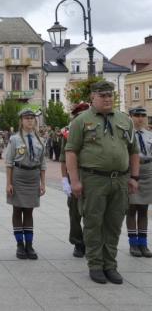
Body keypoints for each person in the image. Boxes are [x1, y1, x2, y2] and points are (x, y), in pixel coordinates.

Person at [65, 80, 139, 285]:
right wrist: (74, 181)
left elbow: (133, 151)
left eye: (110, 96)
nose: (107, 99)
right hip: (93, 180)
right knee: (93, 223)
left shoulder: (125, 120)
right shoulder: (81, 121)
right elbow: (71, 151)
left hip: (120, 180)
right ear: (93, 97)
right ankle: (96, 265)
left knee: (114, 224)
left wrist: (134, 177)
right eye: (102, 96)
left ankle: (110, 265)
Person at [6, 108, 46, 260]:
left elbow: (42, 164)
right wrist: (8, 183)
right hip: (18, 176)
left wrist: (43, 183)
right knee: (17, 210)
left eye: (32, 118)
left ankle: (29, 244)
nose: (30, 120)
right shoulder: (14, 139)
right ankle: (20, 245)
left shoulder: (40, 140)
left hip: (33, 177)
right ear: (21, 121)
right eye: (26, 118)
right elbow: (9, 163)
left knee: (29, 211)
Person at [59, 102, 90, 258]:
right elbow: (64, 159)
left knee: (92, 211)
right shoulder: (68, 132)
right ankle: (78, 242)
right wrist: (65, 179)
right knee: (75, 212)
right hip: (75, 174)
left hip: (93, 174)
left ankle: (90, 241)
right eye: (81, 115)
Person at [126, 106, 152, 258]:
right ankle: (133, 243)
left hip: (148, 171)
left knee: (143, 209)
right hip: (131, 170)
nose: (140, 118)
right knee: (131, 208)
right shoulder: (127, 134)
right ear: (131, 116)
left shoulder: (149, 135)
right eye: (137, 115)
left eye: (143, 115)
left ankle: (143, 243)